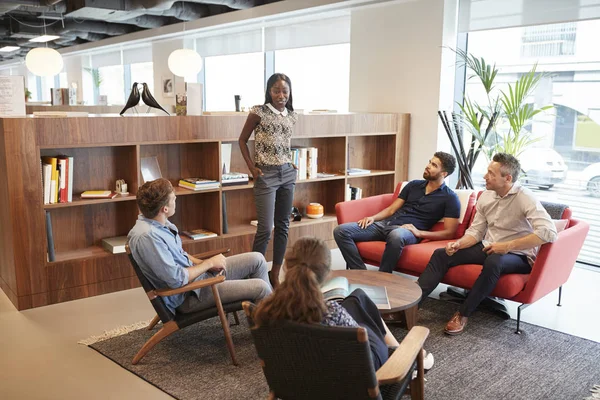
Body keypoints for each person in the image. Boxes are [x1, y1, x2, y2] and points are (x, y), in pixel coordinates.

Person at [418, 153, 558, 335]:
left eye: (491, 173)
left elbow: (549, 232)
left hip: (519, 255)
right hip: (489, 246)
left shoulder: (525, 197)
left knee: (494, 261)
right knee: (442, 254)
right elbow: (476, 232)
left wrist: (507, 246)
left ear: (507, 178)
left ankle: (463, 314)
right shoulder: (485, 196)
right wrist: (459, 243)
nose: (485, 177)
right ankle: (412, 305)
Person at [252, 236, 434, 371]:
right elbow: (358, 348)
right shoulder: (332, 313)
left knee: (358, 298)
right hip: (354, 380)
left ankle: (397, 348)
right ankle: (401, 356)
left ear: (286, 267)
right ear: (326, 274)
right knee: (366, 325)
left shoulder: (265, 310)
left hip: (297, 380)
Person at [128, 178, 272, 315]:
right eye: (173, 199)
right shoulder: (148, 237)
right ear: (165, 209)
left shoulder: (159, 223)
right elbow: (176, 279)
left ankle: (272, 317)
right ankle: (273, 333)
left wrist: (205, 264)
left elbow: (180, 254)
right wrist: (209, 263)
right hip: (190, 295)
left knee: (258, 259)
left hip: (199, 279)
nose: (176, 200)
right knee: (261, 288)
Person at [334, 152, 461, 273]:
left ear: (444, 173)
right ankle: (361, 273)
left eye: (434, 165)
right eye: (430, 162)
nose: (428, 166)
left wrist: (419, 232)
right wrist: (373, 218)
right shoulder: (413, 185)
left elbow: (449, 233)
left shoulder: (450, 198)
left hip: (407, 231)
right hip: (385, 224)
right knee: (341, 231)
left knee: (396, 235)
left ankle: (383, 276)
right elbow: (391, 209)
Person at [239, 73, 298, 288]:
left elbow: (284, 142)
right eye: (276, 91)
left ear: (290, 93)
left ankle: (275, 273)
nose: (281, 95)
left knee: (283, 225)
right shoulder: (259, 112)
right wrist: (252, 168)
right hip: (266, 175)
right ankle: (256, 274)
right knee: (265, 227)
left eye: (285, 91)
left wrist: (290, 161)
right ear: (269, 91)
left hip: (287, 173)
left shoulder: (292, 115)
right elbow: (242, 140)